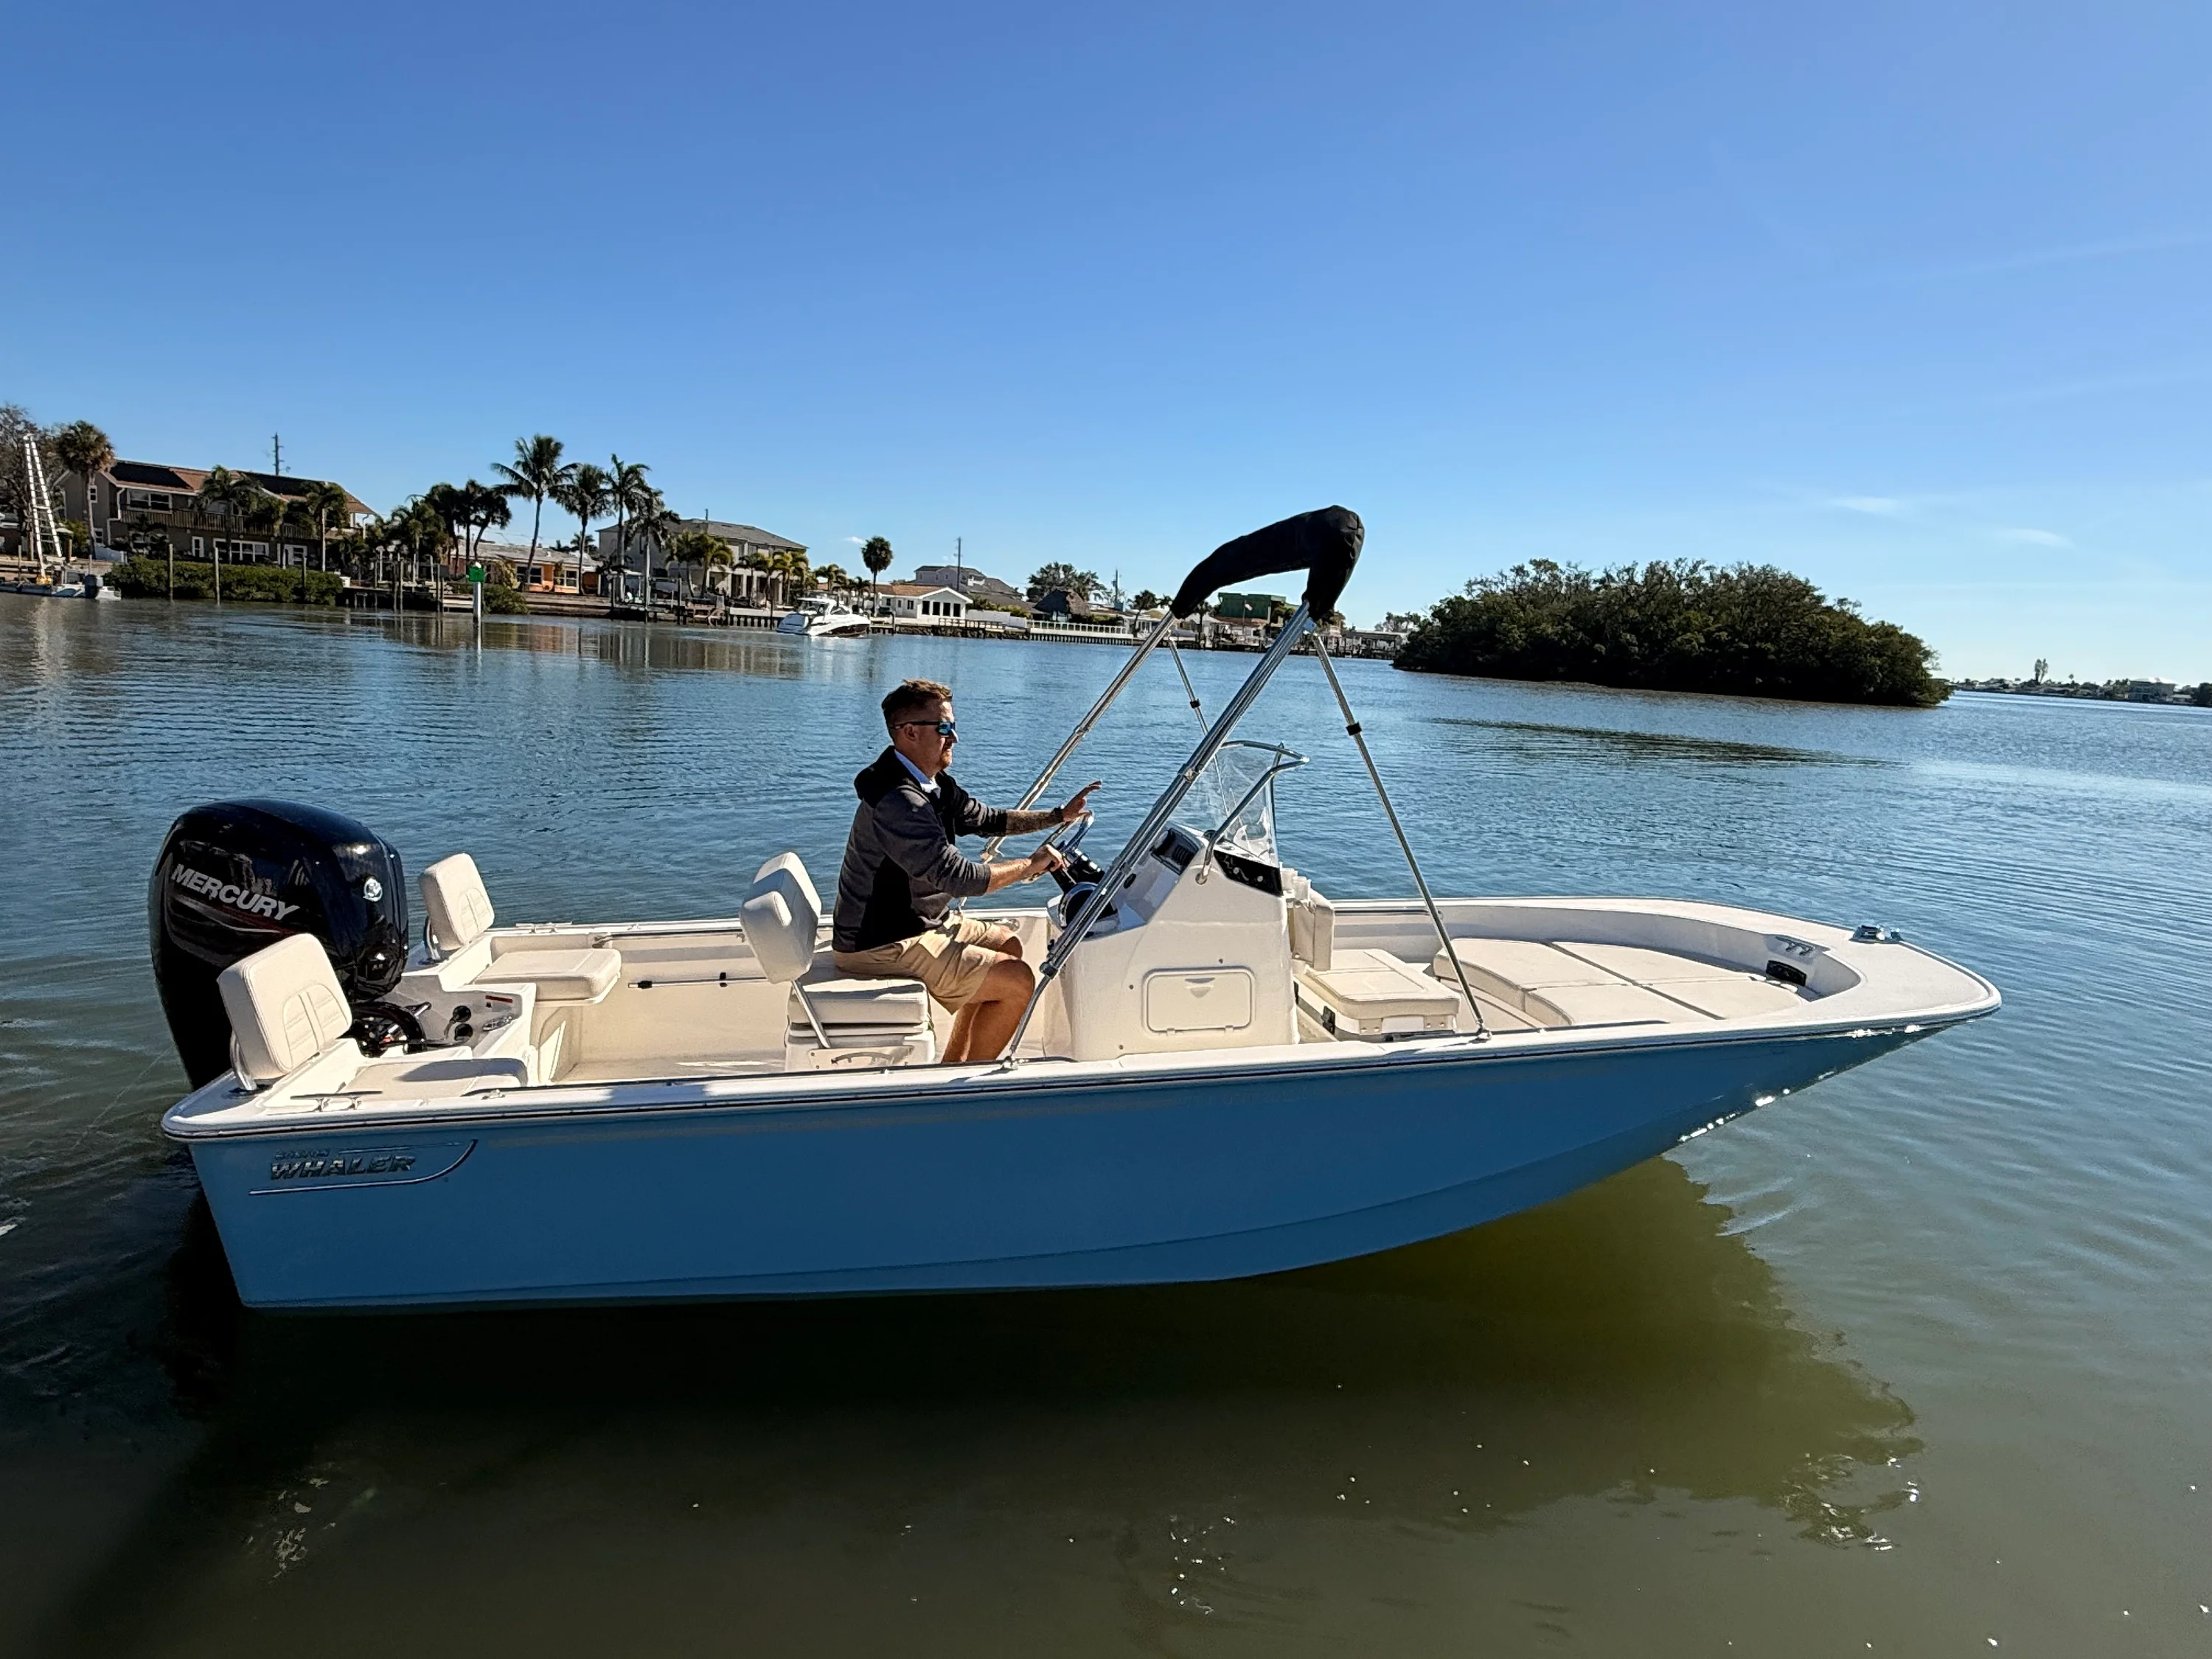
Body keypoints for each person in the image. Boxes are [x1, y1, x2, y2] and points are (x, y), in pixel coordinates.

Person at [832, 678, 1099, 1062]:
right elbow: (960, 878)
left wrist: (1058, 816)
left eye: (953, 726)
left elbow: (987, 819)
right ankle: (963, 1087)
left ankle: (953, 1063)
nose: (954, 737)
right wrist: (1030, 865)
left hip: (916, 923)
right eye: (944, 728)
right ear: (909, 732)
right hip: (883, 942)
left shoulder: (929, 784)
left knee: (1008, 943)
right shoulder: (901, 802)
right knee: (1017, 980)